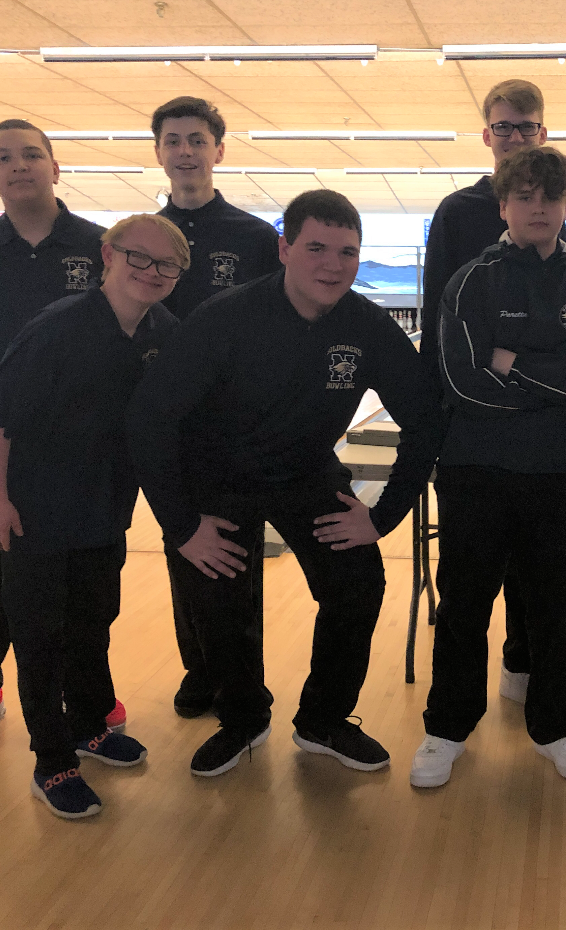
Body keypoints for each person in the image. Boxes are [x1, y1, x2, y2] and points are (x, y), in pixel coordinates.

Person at [128, 189, 437, 779]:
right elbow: (150, 419)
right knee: (219, 603)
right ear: (284, 248)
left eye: (348, 251)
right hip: (218, 478)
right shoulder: (224, 318)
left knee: (357, 582)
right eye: (316, 247)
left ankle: (323, 719)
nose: (333, 263)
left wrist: (380, 516)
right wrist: (182, 525)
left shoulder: (367, 326)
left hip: (305, 471)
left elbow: (425, 420)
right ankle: (243, 719)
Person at [410, 145, 566, 789]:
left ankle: (556, 726)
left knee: (555, 606)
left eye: (551, 198)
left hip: (559, 474)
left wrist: (515, 363)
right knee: (465, 605)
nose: (539, 209)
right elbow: (461, 383)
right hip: (476, 468)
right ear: (503, 205)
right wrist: (558, 383)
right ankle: (446, 728)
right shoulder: (471, 280)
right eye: (525, 196)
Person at [0, 214, 188, 819]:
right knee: (40, 637)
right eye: (138, 258)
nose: (151, 272)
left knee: (94, 622)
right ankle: (53, 762)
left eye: (166, 264)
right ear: (107, 255)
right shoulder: (58, 327)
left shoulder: (161, 330)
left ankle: (91, 728)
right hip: (36, 512)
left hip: (104, 510)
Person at [0, 119, 127, 745]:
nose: (18, 165)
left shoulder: (102, 246)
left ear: (55, 166)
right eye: (3, 157)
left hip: (84, 443)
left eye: (30, 154)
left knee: (85, 568)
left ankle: (88, 692)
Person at [420, 79, 566, 708]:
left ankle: (521, 662)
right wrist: (433, 422)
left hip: (542, 433)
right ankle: (453, 711)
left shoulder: (552, 208)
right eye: (504, 127)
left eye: (526, 126)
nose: (515, 136)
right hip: (471, 427)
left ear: (542, 131)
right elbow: (440, 326)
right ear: (486, 135)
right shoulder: (457, 213)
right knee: (471, 576)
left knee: (537, 576)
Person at [151, 96, 282, 721]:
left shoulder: (254, 238)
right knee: (184, 546)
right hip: (170, 426)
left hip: (233, 428)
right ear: (159, 153)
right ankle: (198, 668)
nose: (185, 151)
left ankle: (242, 680)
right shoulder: (142, 239)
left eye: (197, 140)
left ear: (218, 152)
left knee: (236, 557)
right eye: (173, 140)